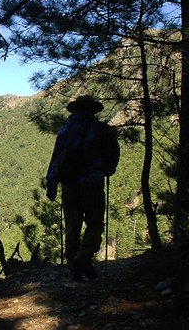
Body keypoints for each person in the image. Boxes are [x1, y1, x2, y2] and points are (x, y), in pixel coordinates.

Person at [45, 95, 120, 281]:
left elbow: (56, 158)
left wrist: (51, 183)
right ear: (93, 110)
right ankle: (84, 257)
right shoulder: (103, 130)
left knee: (72, 226)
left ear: (76, 110)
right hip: (93, 184)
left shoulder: (65, 130)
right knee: (95, 224)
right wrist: (107, 170)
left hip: (69, 185)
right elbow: (113, 155)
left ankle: (73, 266)